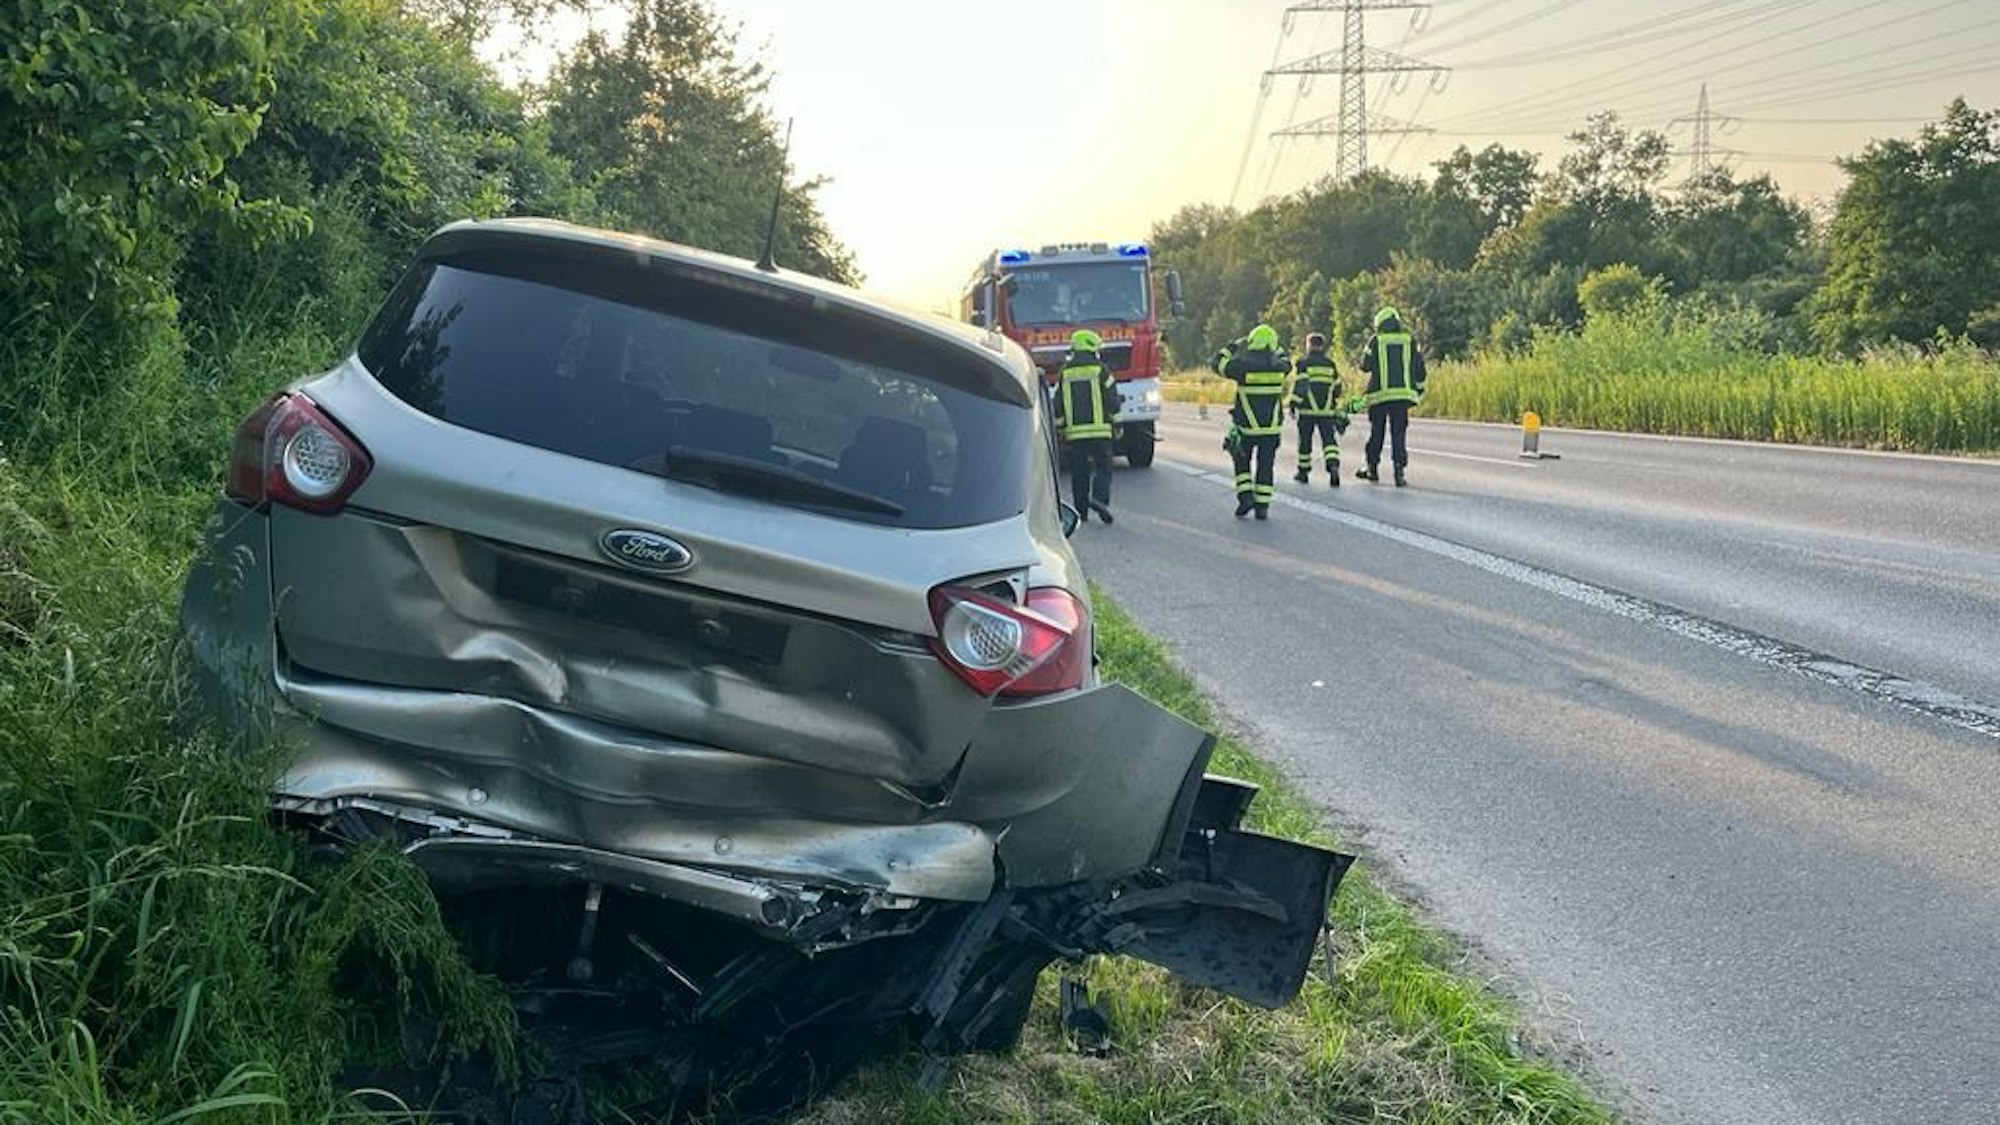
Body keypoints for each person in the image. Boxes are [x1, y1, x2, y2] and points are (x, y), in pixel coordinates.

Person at [1213, 323, 1290, 519]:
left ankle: (1245, 497)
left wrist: (1231, 347)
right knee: (1266, 466)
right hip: (1270, 429)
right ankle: (1262, 506)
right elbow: (1285, 358)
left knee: (1241, 461)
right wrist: (1275, 347)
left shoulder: (1242, 366)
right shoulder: (1281, 368)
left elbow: (1218, 364)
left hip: (1246, 427)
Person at [1355, 306, 1427, 487]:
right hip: (1402, 397)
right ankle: (1399, 471)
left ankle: (1372, 469)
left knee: (1376, 432)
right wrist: (1418, 389)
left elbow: (1364, 366)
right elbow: (1420, 369)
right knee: (1399, 433)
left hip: (1379, 396)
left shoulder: (1375, 341)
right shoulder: (1409, 340)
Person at [1056, 329, 1117, 524]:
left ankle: (1080, 511)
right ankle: (1099, 499)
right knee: (1103, 468)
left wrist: (1060, 427)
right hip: (1101, 432)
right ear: (1093, 348)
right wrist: (1117, 423)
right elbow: (1112, 400)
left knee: (1079, 473)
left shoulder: (1065, 372)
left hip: (1075, 435)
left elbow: (1057, 404)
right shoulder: (1101, 370)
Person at [1290, 332, 1346, 487]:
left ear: (1309, 345)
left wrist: (1293, 404)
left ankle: (1303, 472)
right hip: (1327, 411)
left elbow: (1300, 386)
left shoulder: (1303, 363)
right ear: (1322, 346)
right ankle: (1333, 466)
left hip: (1307, 411)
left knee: (1305, 442)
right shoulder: (1330, 364)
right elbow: (1337, 388)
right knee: (1329, 441)